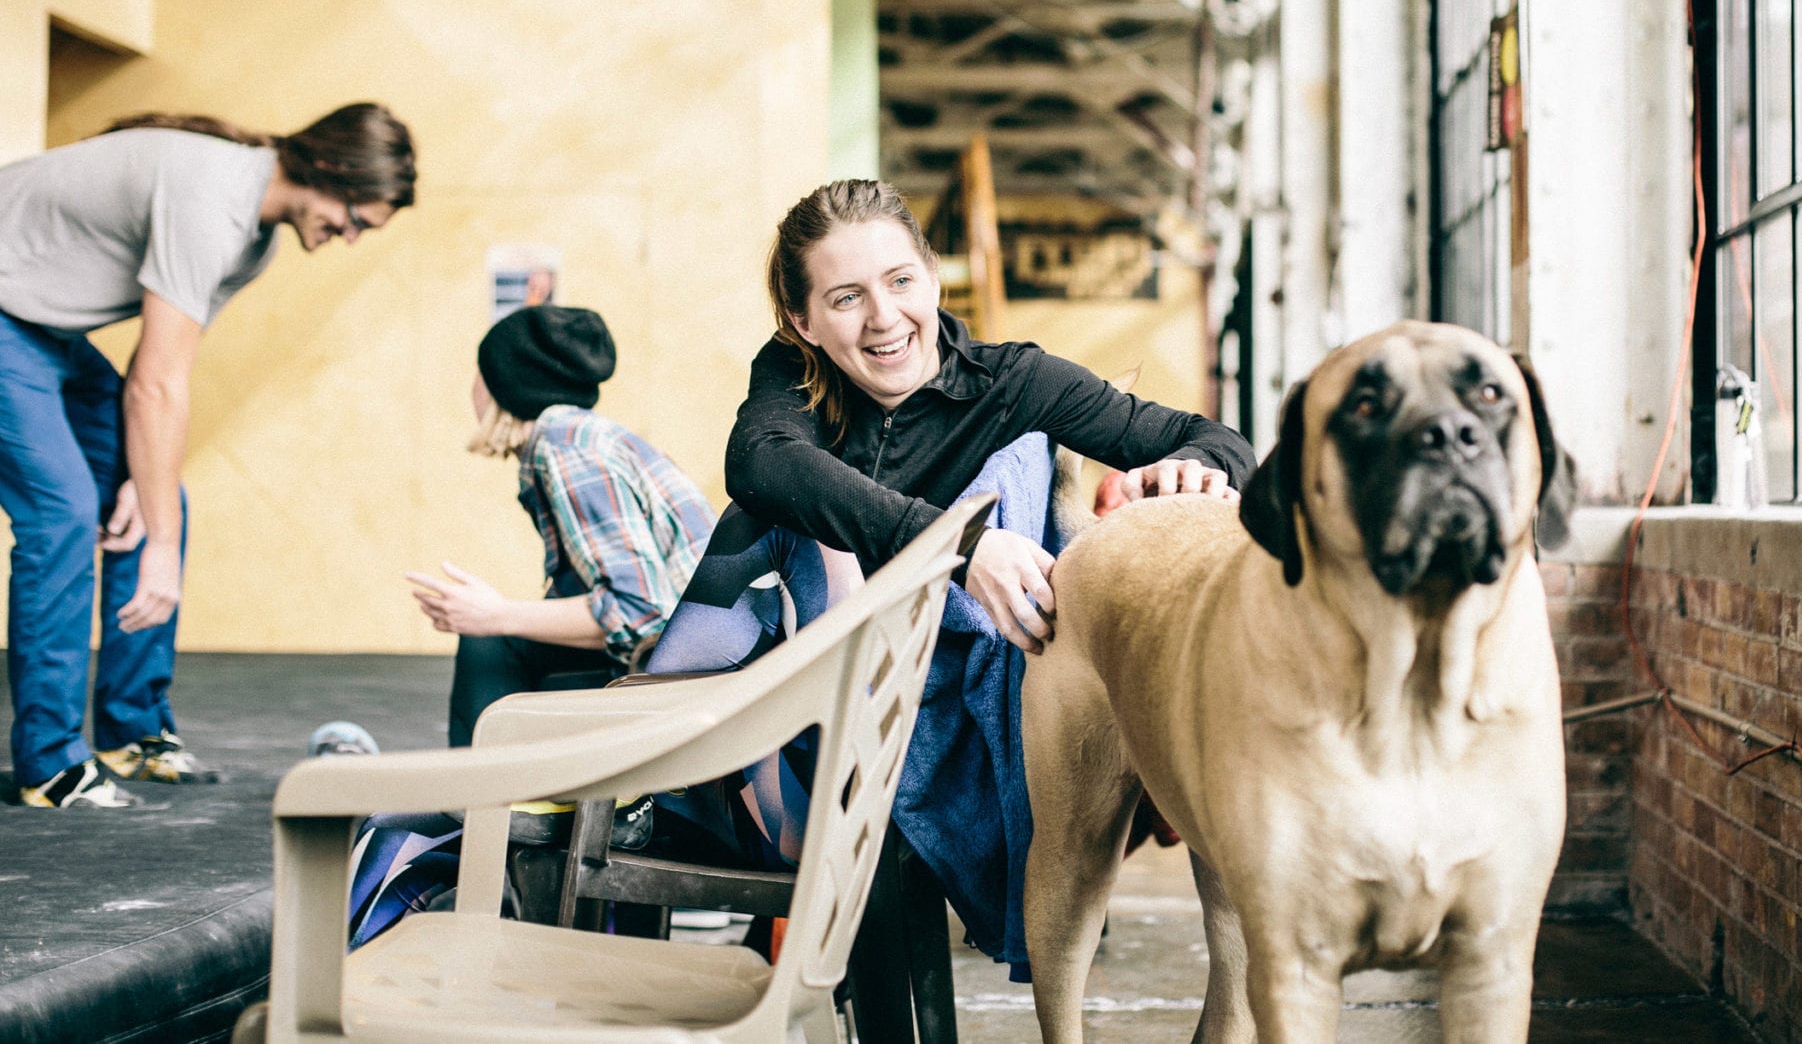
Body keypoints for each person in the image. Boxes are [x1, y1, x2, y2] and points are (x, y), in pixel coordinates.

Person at [646, 178, 1254, 974]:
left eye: (900, 280)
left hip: (948, 723)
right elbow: (758, 464)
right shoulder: (792, 381)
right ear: (803, 321)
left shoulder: (1013, 385)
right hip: (805, 732)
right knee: (771, 515)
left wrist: (1192, 467)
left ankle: (653, 777)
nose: (883, 317)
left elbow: (1215, 439)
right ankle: (667, 785)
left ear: (932, 277)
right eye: (846, 297)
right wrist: (958, 544)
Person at [0, 105, 415, 809]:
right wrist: (158, 545)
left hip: (42, 329)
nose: (348, 237)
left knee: (160, 499)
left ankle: (131, 730)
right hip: (11, 321)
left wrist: (145, 488)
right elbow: (154, 387)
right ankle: (50, 764)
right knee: (63, 512)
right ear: (331, 169)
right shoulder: (210, 198)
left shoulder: (254, 241)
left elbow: (164, 369)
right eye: (354, 220)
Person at [404, 304, 716, 748]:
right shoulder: (579, 438)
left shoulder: (567, 448)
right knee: (500, 639)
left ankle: (480, 783)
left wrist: (495, 614)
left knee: (491, 642)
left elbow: (639, 611)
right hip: (691, 654)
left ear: (505, 385)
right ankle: (496, 780)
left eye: (480, 372)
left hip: (689, 672)